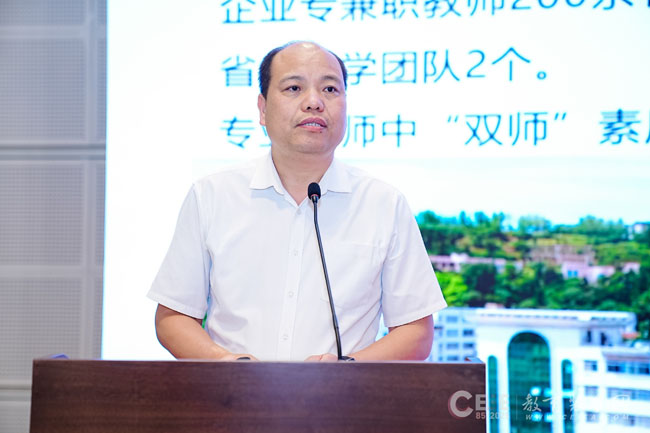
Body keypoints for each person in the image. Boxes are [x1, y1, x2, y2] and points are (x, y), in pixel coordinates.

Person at [148, 41, 447, 362]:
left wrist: (348, 371)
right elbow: (174, 317)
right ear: (263, 109)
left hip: (345, 394)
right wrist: (227, 365)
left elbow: (416, 331)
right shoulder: (212, 195)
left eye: (330, 89)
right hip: (230, 392)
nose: (314, 102)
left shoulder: (383, 203)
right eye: (294, 88)